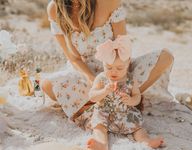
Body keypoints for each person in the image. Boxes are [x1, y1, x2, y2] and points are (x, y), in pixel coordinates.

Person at [42, 0, 173, 137]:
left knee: (165, 57)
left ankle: (122, 100)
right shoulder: (55, 8)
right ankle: (108, 105)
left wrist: (122, 80)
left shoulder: (109, 2)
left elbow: (124, 48)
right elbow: (74, 59)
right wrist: (94, 80)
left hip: (118, 68)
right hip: (86, 73)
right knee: (48, 85)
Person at [87, 35, 164, 150]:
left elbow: (137, 96)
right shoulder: (101, 79)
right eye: (109, 67)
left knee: (138, 128)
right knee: (98, 127)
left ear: (128, 64)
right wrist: (104, 92)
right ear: (103, 64)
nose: (114, 71)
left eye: (119, 68)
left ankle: (146, 141)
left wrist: (131, 100)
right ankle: (102, 145)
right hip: (104, 113)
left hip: (125, 113)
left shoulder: (131, 80)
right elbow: (92, 96)